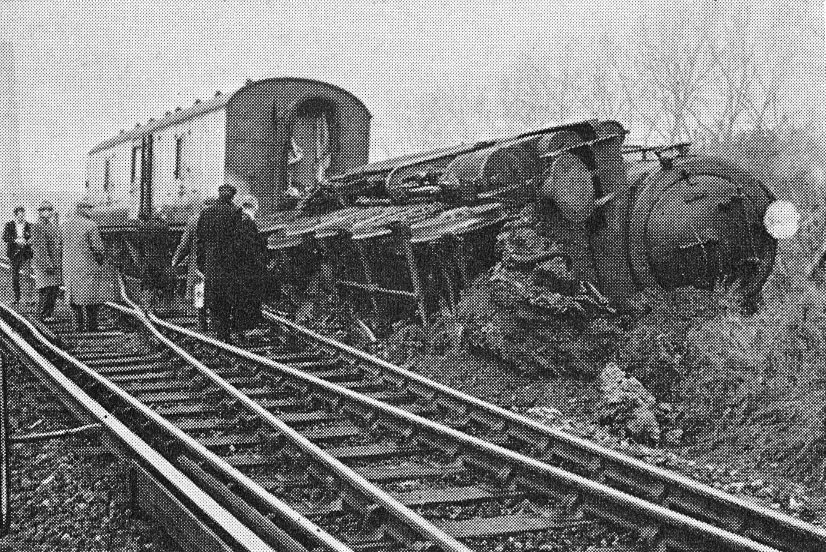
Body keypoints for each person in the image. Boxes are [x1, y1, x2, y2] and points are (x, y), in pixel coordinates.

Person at [196, 184, 242, 343]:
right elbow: (240, 239)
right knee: (228, 294)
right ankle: (225, 331)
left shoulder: (207, 212)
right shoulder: (235, 212)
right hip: (229, 259)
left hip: (212, 259)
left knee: (214, 293)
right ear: (232, 197)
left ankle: (218, 328)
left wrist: (201, 261)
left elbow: (200, 239)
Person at [62, 198, 109, 331]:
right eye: (88, 208)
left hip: (69, 267)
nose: (90, 211)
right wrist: (100, 261)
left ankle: (78, 326)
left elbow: (60, 245)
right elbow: (98, 248)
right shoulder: (91, 225)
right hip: (86, 267)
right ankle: (92, 327)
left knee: (74, 298)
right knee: (91, 298)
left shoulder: (65, 224)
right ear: (82, 209)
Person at [173, 196, 215, 331]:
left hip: (198, 265)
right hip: (217, 265)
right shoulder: (221, 221)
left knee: (199, 293)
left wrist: (175, 261)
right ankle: (214, 322)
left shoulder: (194, 221)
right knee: (215, 293)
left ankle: (202, 323)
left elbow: (184, 246)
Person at [233, 195, 266, 338]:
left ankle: (240, 326)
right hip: (249, 267)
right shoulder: (249, 223)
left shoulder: (237, 220)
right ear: (254, 207)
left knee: (240, 296)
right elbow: (251, 247)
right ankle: (249, 327)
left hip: (238, 266)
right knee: (250, 296)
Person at [30, 201, 62, 320]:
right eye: (45, 210)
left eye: (49, 210)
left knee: (53, 289)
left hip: (54, 263)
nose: (48, 212)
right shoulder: (38, 226)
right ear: (40, 212)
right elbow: (40, 248)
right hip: (45, 264)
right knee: (45, 290)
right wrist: (47, 264)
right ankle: (42, 315)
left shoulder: (51, 225)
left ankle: (48, 314)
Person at [3, 206, 33, 306]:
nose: (22, 217)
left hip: (26, 254)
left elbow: (33, 238)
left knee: (27, 277)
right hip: (14, 254)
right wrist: (16, 240)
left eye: (23, 215)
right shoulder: (9, 225)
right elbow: (5, 237)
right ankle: (17, 298)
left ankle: (28, 299)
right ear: (15, 215)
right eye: (20, 216)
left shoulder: (29, 225)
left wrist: (27, 241)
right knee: (15, 276)